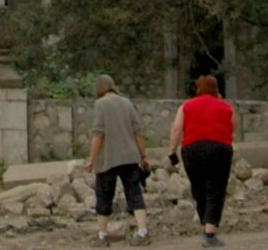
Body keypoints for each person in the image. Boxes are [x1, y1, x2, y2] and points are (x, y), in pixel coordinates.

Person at [168, 73, 238, 247]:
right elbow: (234, 125)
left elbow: (177, 129)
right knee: (216, 188)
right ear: (217, 89)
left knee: (198, 187)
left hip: (192, 149)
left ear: (198, 89)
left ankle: (205, 222)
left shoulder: (186, 106)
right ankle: (210, 231)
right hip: (219, 149)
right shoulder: (226, 107)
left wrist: (172, 152)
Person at [86, 74, 151, 244]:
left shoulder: (100, 104)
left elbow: (98, 134)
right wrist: (143, 155)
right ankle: (143, 232)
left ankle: (102, 236)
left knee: (104, 196)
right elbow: (138, 131)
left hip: (108, 159)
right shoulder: (127, 103)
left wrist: (91, 159)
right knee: (135, 194)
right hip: (130, 157)